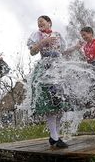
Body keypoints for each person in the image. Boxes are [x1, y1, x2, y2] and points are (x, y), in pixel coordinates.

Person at [27, 15, 70, 148]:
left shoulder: (57, 34)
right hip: (46, 69)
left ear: (49, 23)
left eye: (42, 21)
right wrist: (43, 42)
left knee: (60, 104)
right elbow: (32, 52)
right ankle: (55, 138)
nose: (39, 23)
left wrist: (75, 47)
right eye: (38, 22)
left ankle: (54, 135)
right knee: (50, 103)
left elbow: (63, 51)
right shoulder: (36, 34)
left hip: (59, 68)